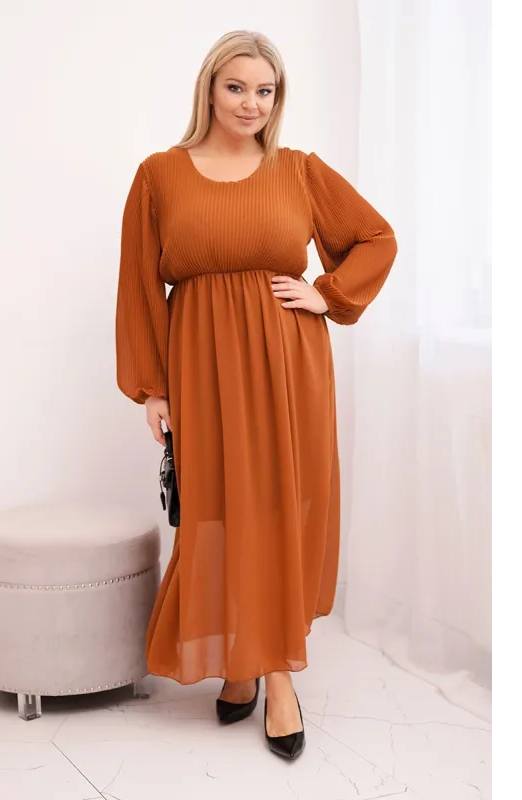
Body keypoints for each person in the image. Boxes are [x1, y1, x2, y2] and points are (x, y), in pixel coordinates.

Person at [115, 29, 397, 760]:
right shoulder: (159, 174)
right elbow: (139, 283)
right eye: (236, 87)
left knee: (279, 509)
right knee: (217, 510)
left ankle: (276, 677)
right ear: (209, 89)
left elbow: (376, 238)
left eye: (265, 91)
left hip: (288, 362)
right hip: (202, 364)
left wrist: (327, 292)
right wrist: (152, 388)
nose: (251, 103)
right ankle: (240, 659)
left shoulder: (298, 169)